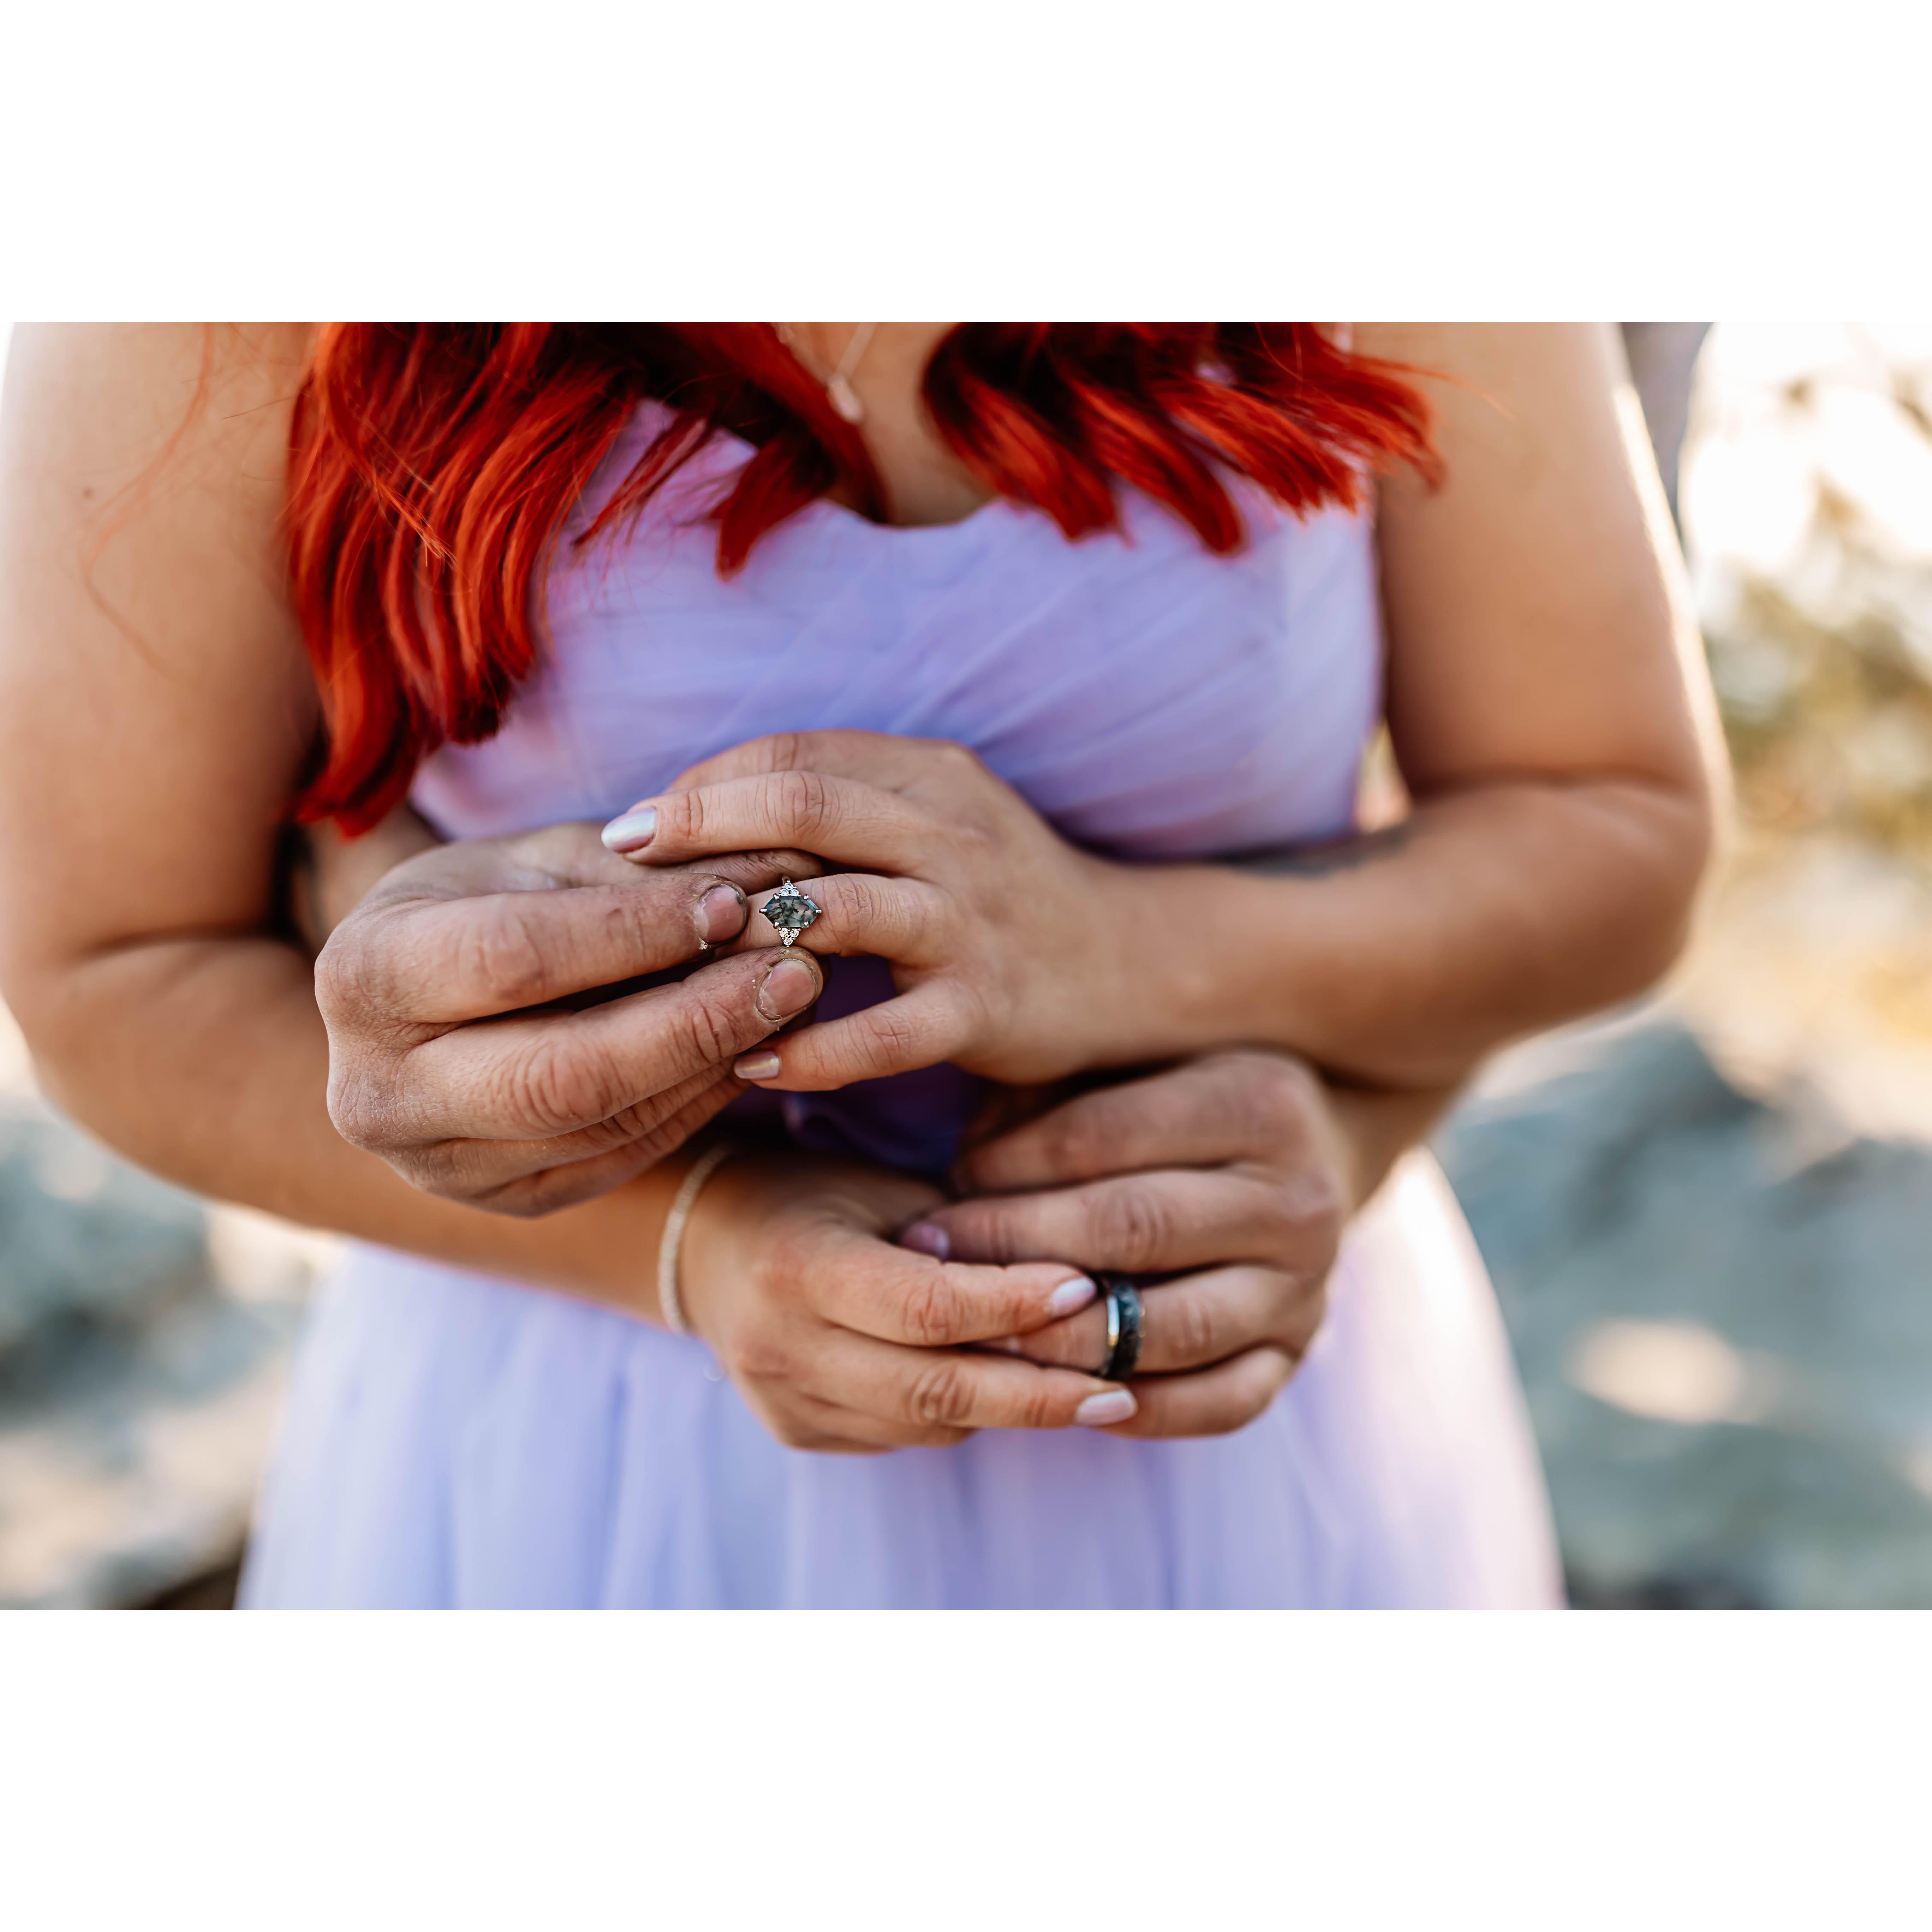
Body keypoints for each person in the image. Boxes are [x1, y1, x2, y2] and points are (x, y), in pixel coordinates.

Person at [0, 324, 1718, 1606]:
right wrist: (696, 1243)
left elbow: (1614, 819)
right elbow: (111, 964)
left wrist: (1191, 1002)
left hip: (1243, 1413)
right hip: (566, 1462)